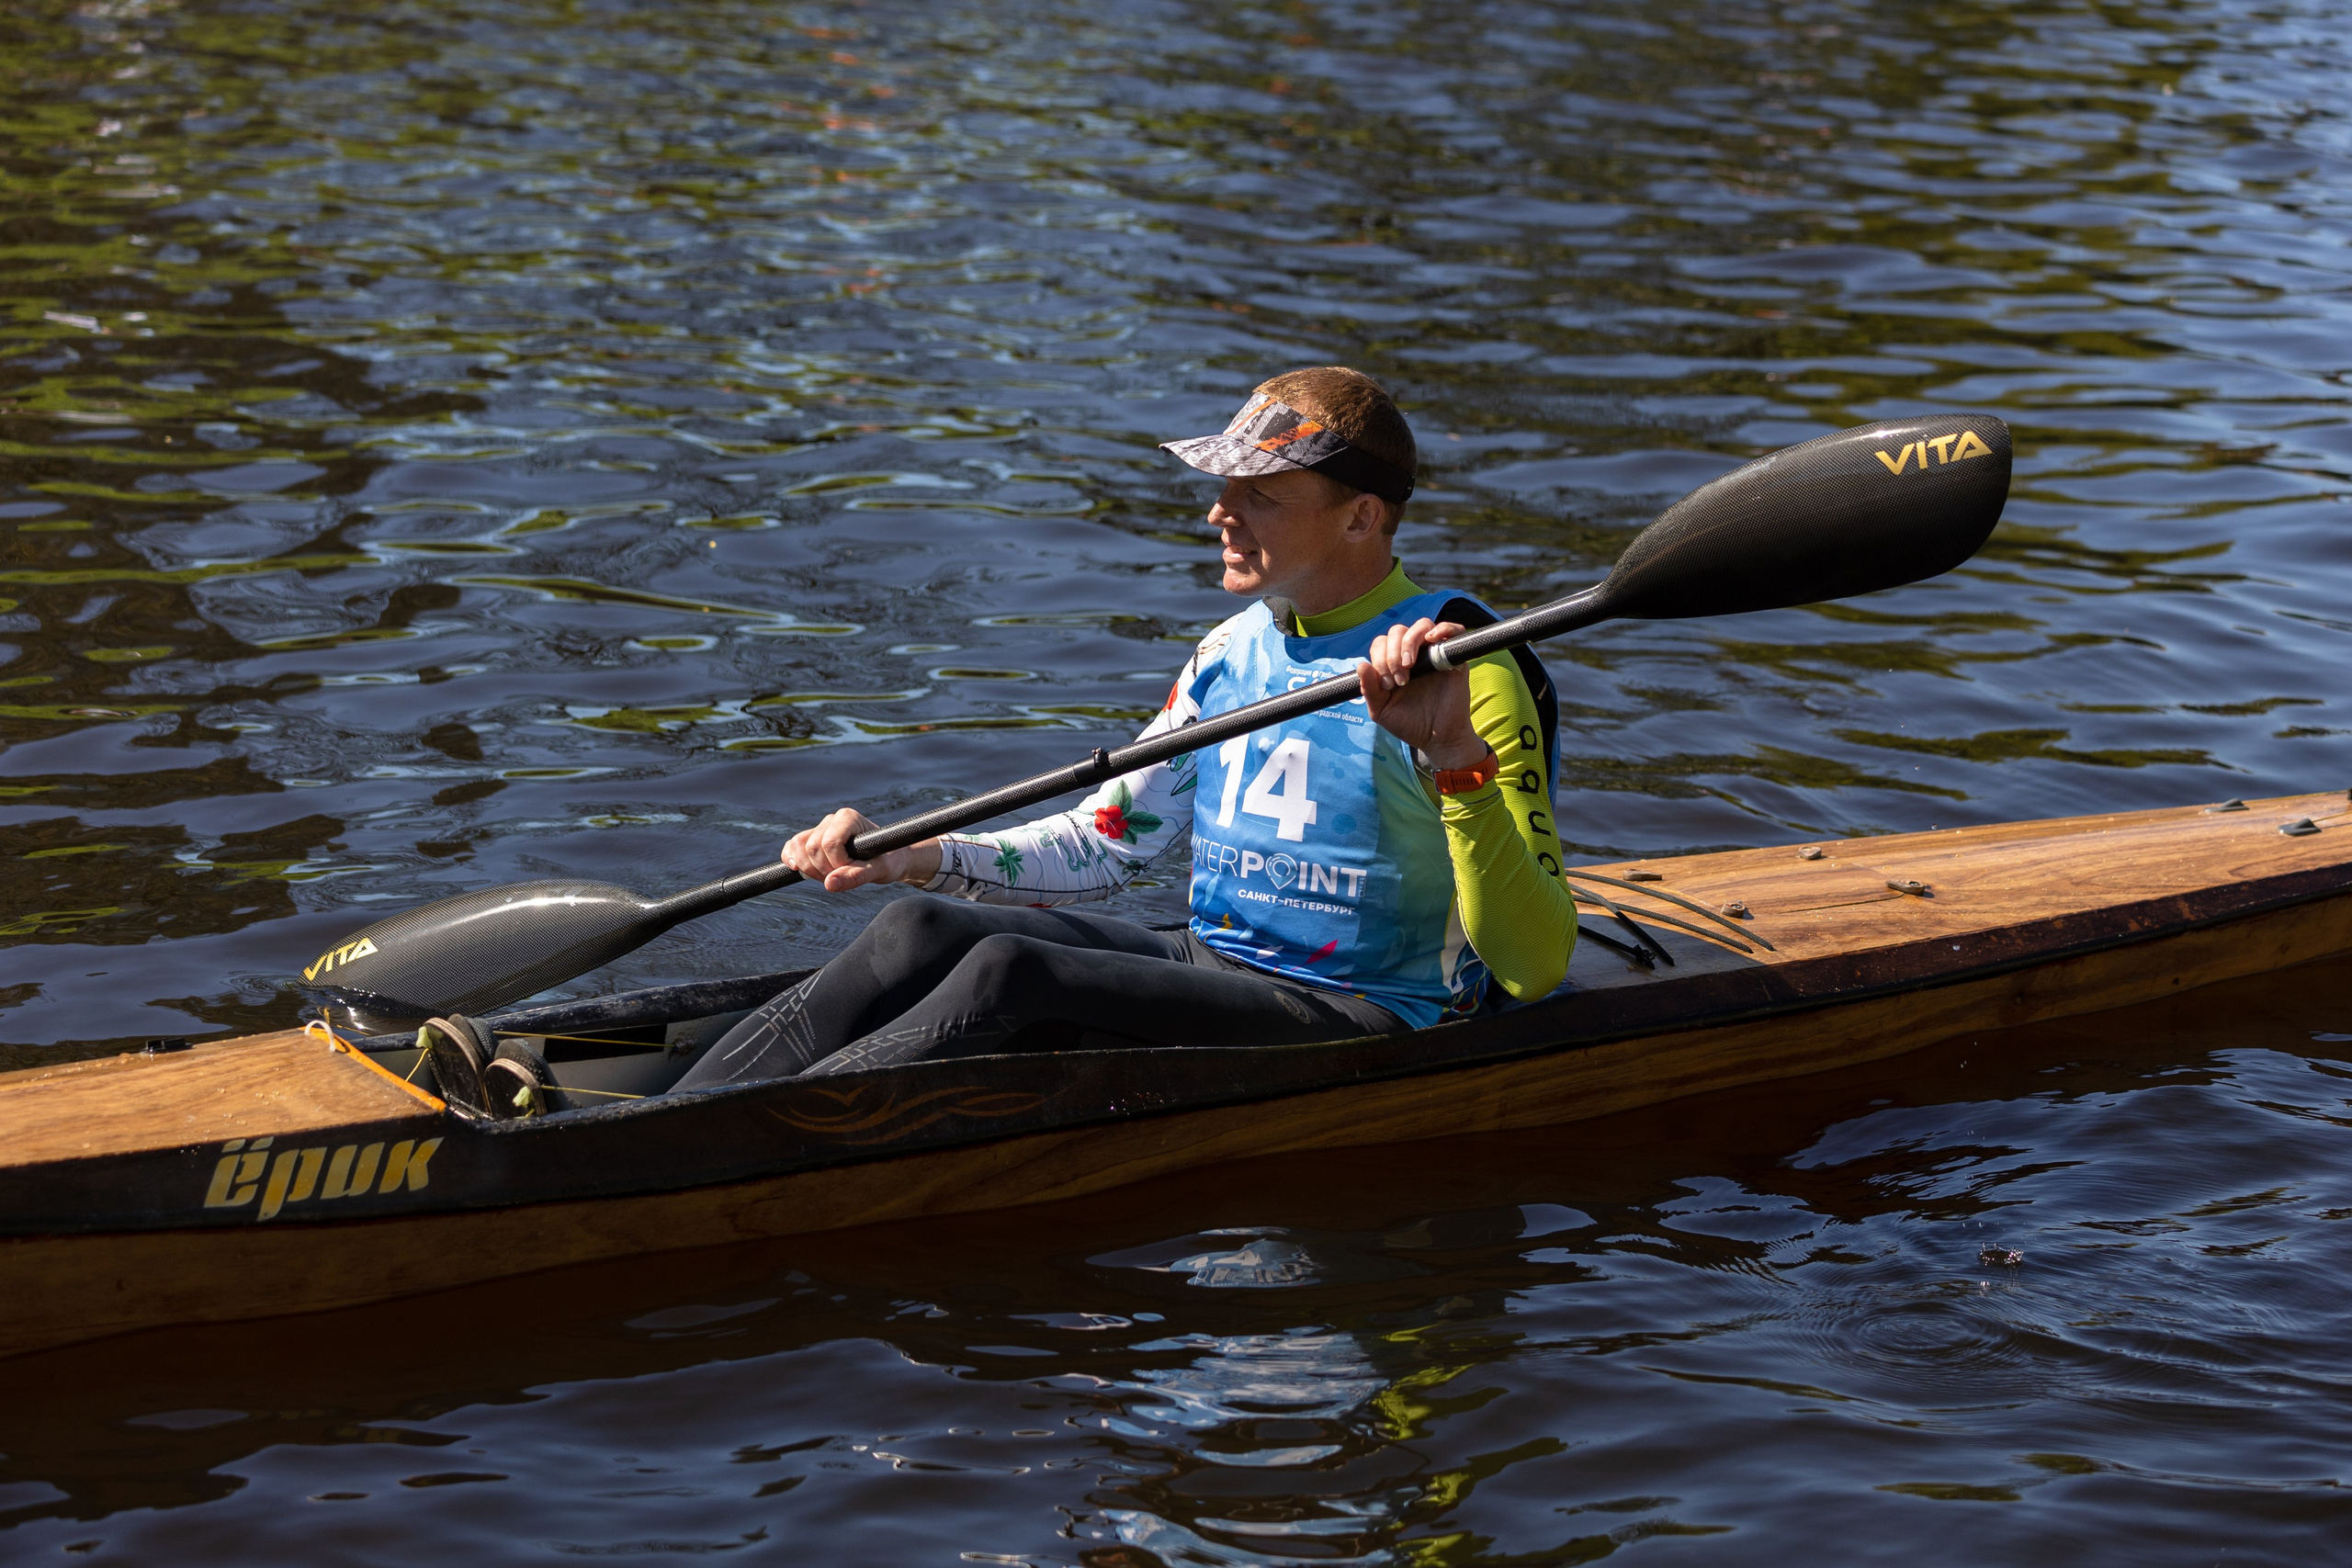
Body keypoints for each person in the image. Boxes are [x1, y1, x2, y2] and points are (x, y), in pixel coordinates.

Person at [673, 366, 1577, 1089]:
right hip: (1218, 959)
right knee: (919, 928)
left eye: (1259, 493)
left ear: (1361, 516)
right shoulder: (1231, 651)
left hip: (1374, 1010)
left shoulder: (1464, 670)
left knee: (1012, 977)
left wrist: (1454, 755)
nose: (1220, 514)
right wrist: (912, 855)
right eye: (1225, 487)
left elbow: (1533, 967)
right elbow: (1107, 843)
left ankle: (730, 1148)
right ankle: (681, 1115)